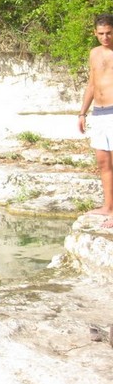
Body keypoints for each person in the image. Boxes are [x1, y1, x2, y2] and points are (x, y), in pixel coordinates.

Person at [79, 13, 113, 228]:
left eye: (109, 33)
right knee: (103, 162)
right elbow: (92, 84)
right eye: (101, 33)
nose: (105, 37)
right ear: (95, 33)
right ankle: (108, 207)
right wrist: (82, 113)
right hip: (99, 113)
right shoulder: (94, 53)